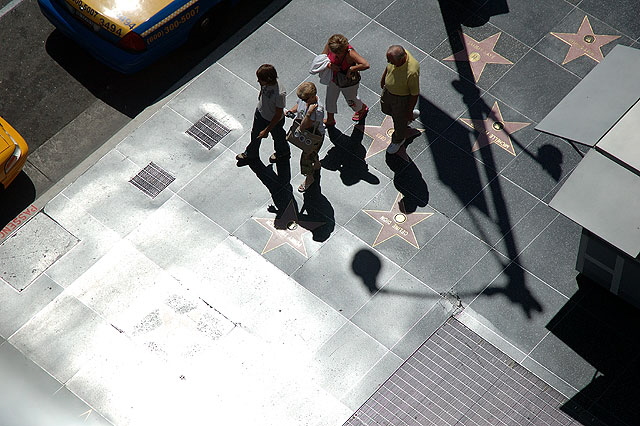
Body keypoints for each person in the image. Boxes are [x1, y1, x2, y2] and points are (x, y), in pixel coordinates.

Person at [236, 64, 290, 165]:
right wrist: (261, 94)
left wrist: (266, 130)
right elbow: (262, 87)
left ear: (269, 79)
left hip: (274, 121)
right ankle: (251, 153)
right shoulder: (264, 83)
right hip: (260, 113)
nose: (258, 81)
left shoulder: (279, 94)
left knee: (278, 138)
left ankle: (282, 153)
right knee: (255, 135)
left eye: (260, 79)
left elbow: (278, 114)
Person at [322, 34, 370, 127]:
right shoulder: (330, 45)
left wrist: (352, 68)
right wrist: (329, 65)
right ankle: (330, 119)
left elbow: (365, 64)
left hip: (348, 82)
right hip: (334, 78)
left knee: (351, 100)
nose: (334, 54)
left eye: (337, 53)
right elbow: (322, 57)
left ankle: (362, 108)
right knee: (330, 99)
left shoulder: (350, 53)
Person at [380, 45, 420, 154]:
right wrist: (383, 79)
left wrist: (408, 109)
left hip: (400, 98)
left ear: (402, 59)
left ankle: (399, 139)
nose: (389, 62)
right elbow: (388, 66)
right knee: (386, 109)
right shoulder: (397, 55)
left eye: (392, 61)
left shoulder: (412, 71)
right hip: (388, 92)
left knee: (399, 121)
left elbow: (414, 94)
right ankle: (405, 118)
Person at [288, 82, 325, 192]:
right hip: (308, 135)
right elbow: (298, 106)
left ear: (313, 96)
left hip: (314, 137)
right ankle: (317, 164)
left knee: (305, 159)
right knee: (312, 154)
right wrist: (291, 111)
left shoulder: (317, 110)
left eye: (305, 100)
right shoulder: (304, 99)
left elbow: (304, 126)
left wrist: (308, 114)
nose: (303, 102)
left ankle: (309, 178)